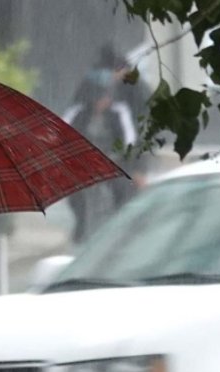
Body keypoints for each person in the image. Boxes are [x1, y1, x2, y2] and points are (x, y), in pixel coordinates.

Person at [62, 61, 140, 243]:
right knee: (74, 193)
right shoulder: (78, 113)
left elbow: (129, 139)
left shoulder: (119, 112)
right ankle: (80, 224)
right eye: (97, 97)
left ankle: (121, 226)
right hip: (83, 162)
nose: (101, 102)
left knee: (123, 188)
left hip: (112, 161)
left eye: (104, 97)